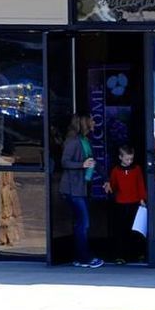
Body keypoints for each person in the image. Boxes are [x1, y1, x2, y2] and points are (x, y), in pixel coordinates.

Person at [59, 114, 102, 267]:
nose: (94, 122)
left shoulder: (85, 140)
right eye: (91, 120)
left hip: (82, 187)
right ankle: (84, 258)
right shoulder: (73, 141)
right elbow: (64, 162)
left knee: (81, 223)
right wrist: (82, 164)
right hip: (72, 189)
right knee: (83, 223)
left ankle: (79, 257)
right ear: (85, 123)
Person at [105, 143, 147, 263]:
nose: (130, 161)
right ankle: (120, 255)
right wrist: (108, 186)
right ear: (120, 157)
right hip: (121, 203)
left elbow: (140, 184)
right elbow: (113, 185)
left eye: (131, 159)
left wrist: (142, 199)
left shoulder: (137, 169)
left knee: (136, 230)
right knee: (121, 230)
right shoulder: (116, 171)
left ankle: (138, 253)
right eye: (127, 158)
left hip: (135, 203)